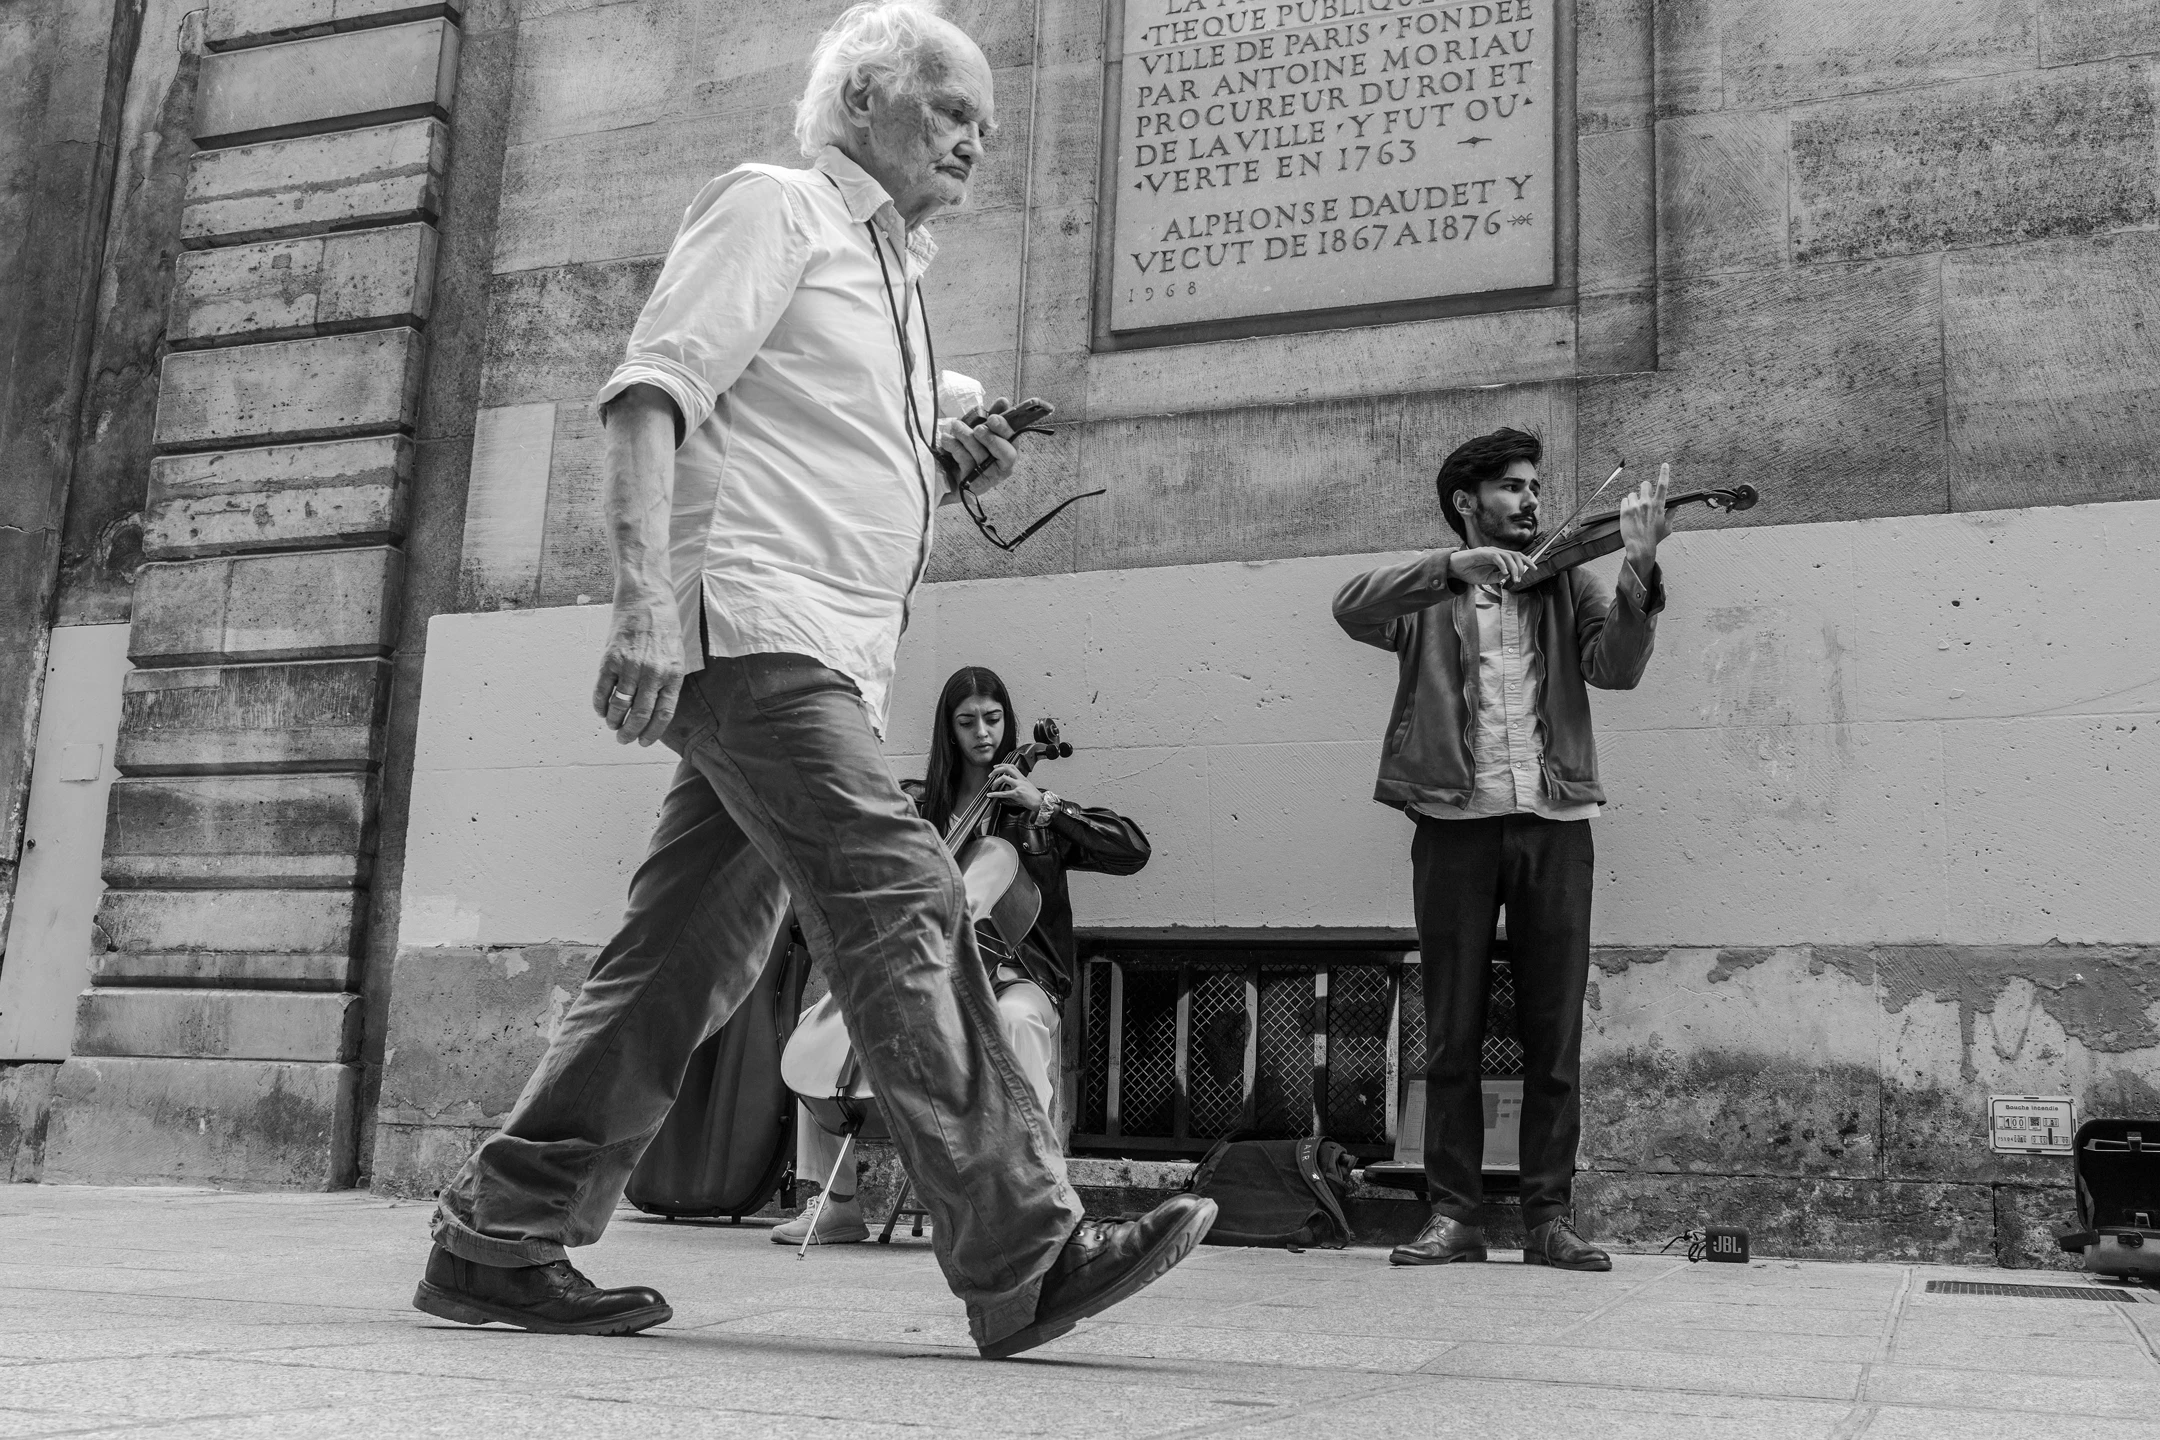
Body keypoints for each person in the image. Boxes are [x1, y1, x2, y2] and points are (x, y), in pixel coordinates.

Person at [412, 1, 1213, 1360]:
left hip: (820, 649)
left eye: (986, 127)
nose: (976, 144)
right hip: (757, 633)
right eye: (952, 110)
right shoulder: (776, 206)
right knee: (903, 893)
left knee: (680, 961)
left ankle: (502, 1235)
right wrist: (643, 606)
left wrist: (941, 468)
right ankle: (1023, 1251)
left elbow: (810, 446)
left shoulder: (892, 275)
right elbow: (653, 392)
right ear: (859, 102)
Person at [1331, 429, 1672, 1272]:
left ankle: (1548, 1218)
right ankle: (1455, 1215)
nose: (1530, 501)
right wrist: (1453, 570)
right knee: (1451, 1031)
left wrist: (1637, 570)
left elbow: (1617, 669)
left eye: (1533, 487)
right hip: (1454, 826)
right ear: (1466, 503)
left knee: (1553, 1034)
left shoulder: (1569, 585)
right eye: (1513, 488)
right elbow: (1350, 606)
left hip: (1554, 825)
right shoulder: (1426, 595)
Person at [776, 666, 1150, 1244]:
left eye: (993, 719)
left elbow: (1131, 850)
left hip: (1017, 976)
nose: (983, 732)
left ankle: (1029, 1196)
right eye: (968, 721)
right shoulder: (919, 811)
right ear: (948, 730)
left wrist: (1046, 802)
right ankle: (838, 1205)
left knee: (1018, 1020)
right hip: (930, 984)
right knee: (823, 1026)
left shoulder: (1030, 813)